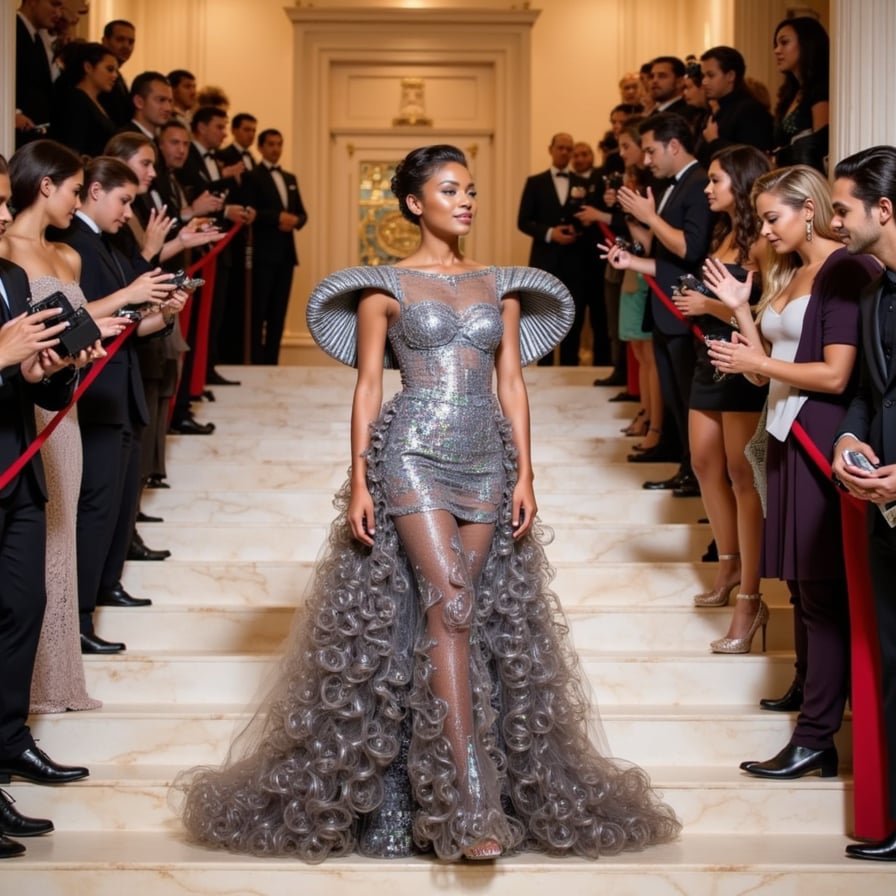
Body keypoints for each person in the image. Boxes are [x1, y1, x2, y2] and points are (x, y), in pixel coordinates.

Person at [176, 144, 680, 862]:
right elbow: (367, 388)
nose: (465, 200)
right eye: (449, 190)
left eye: (469, 189)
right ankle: (468, 805)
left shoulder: (500, 287)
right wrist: (360, 478)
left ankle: (416, 791)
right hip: (411, 454)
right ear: (415, 203)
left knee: (456, 614)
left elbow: (512, 385)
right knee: (453, 606)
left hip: (486, 459)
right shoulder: (383, 290)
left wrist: (526, 474)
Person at [704, 165, 879, 778]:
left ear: (809, 210)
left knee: (821, 589)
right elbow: (764, 371)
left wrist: (756, 361)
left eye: (772, 218)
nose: (764, 231)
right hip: (782, 434)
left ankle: (816, 736)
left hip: (818, 436)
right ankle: (811, 695)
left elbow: (835, 375)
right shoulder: (793, 270)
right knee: (802, 587)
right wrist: (740, 313)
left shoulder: (844, 269)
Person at [2, 141, 132, 704]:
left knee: (58, 537)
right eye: (76, 190)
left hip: (62, 401)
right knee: (27, 552)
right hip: (18, 406)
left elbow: (73, 326)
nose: (78, 203)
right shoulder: (4, 253)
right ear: (46, 184)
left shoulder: (69, 256)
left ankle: (53, 678)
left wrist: (96, 333)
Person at [48, 152, 185, 653]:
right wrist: (133, 292)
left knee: (115, 503)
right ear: (94, 192)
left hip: (120, 386)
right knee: (94, 506)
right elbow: (80, 322)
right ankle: (79, 616)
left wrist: (164, 315)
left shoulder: (103, 243)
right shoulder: (75, 244)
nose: (129, 212)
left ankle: (104, 587)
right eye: (124, 201)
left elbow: (126, 326)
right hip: (96, 389)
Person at [0, 150, 91, 858]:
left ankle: (7, 744)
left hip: (18, 473)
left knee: (23, 607)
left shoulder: (7, 279)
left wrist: (46, 370)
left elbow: (33, 386)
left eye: (8, 201)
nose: (6, 215)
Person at [671, 145, 770, 650]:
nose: (708, 189)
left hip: (741, 363)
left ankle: (751, 594)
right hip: (708, 358)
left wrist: (708, 304)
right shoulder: (723, 232)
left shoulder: (763, 241)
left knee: (741, 474)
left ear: (741, 181)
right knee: (704, 463)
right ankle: (728, 564)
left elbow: (763, 315)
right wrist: (697, 304)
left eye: (716, 180)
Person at [830, 145, 896, 862]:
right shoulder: (874, 292)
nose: (834, 222)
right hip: (882, 506)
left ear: (884, 209)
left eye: (843, 209)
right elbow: (866, 395)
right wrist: (849, 439)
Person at [602, 113, 715, 494]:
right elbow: (663, 253)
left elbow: (690, 249)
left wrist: (649, 216)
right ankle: (684, 463)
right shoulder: (669, 185)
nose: (646, 159)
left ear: (674, 146)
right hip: (665, 305)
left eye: (651, 151)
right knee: (675, 395)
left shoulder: (698, 184)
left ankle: (695, 472)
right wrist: (630, 259)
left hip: (685, 309)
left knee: (686, 397)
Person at [517, 133, 593, 366]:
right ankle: (545, 368)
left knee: (573, 315)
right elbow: (523, 221)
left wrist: (576, 230)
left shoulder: (583, 183)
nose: (565, 152)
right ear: (550, 149)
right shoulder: (535, 182)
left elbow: (588, 218)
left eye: (569, 149)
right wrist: (551, 233)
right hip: (545, 260)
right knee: (544, 315)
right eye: (561, 148)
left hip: (576, 261)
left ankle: (571, 367)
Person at [243, 129, 307, 364]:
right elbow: (250, 212)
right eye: (271, 144)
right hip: (262, 254)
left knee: (278, 313)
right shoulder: (252, 176)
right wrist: (276, 217)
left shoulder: (290, 178)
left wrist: (295, 221)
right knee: (258, 311)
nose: (275, 149)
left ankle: (272, 362)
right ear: (260, 147)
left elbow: (302, 214)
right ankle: (255, 362)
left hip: (286, 255)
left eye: (279, 144)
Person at [695, 46, 774, 168]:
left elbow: (754, 159)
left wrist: (715, 141)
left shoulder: (750, 110)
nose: (704, 81)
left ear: (730, 76)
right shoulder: (718, 108)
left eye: (711, 75)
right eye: (703, 76)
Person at [772, 17, 830, 173]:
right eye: (776, 45)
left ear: (807, 44)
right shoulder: (791, 93)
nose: (777, 50)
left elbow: (819, 147)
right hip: (788, 177)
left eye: (784, 42)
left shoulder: (821, 91)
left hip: (808, 179)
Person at [51, 41, 119, 159]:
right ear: (88, 67)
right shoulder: (75, 100)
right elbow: (72, 148)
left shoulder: (98, 101)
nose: (115, 75)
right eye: (109, 69)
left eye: (116, 71)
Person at [98, 19, 136, 126]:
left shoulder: (119, 77)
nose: (126, 46)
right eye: (120, 39)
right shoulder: (97, 76)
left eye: (131, 42)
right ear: (105, 41)